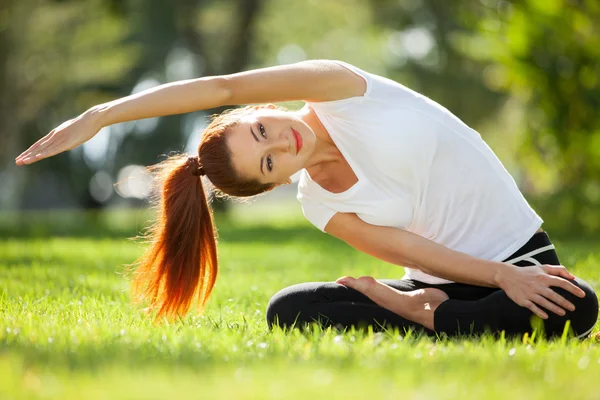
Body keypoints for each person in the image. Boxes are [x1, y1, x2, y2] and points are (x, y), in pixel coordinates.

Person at [15, 60, 598, 338]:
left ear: (257, 111)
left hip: (519, 255)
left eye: (261, 130)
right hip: (449, 279)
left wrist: (101, 116)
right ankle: (418, 309)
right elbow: (410, 246)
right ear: (272, 183)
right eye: (268, 162)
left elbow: (221, 87)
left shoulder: (340, 88)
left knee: (578, 306)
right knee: (287, 310)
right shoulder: (320, 203)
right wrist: (490, 280)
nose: (279, 142)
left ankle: (419, 313)